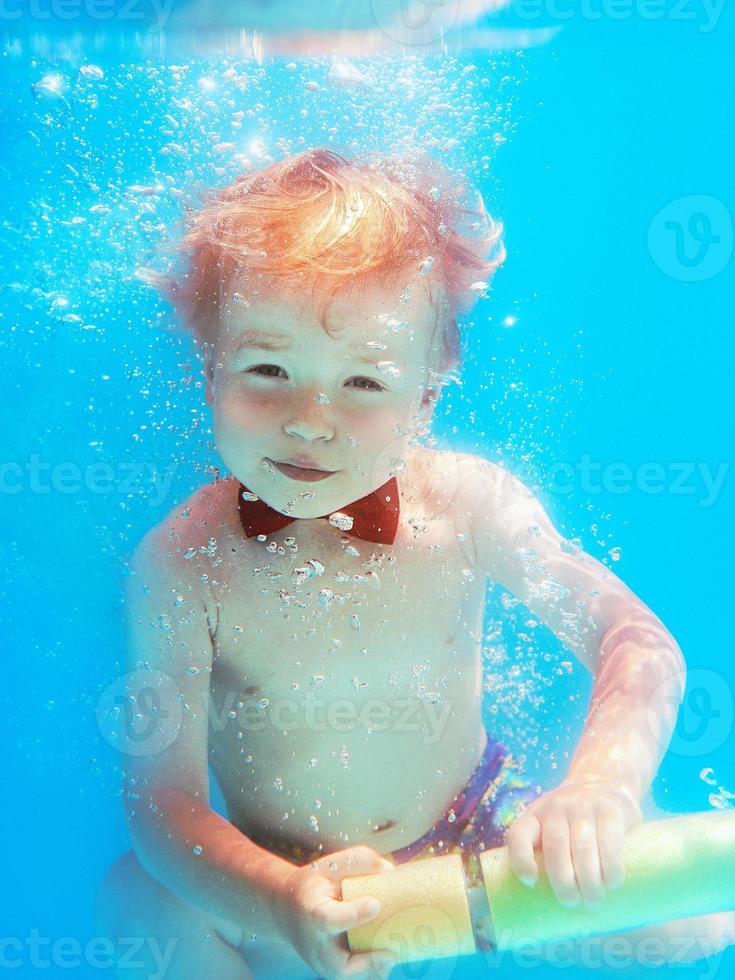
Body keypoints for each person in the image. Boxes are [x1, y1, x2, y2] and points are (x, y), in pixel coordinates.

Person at [95, 148, 734, 979]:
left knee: (679, 926)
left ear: (425, 400)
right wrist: (281, 903)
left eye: (363, 381)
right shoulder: (181, 565)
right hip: (301, 890)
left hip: (478, 842)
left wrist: (599, 789)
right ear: (210, 375)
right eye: (267, 371)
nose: (311, 421)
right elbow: (161, 802)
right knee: (133, 902)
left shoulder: (470, 504)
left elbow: (632, 638)